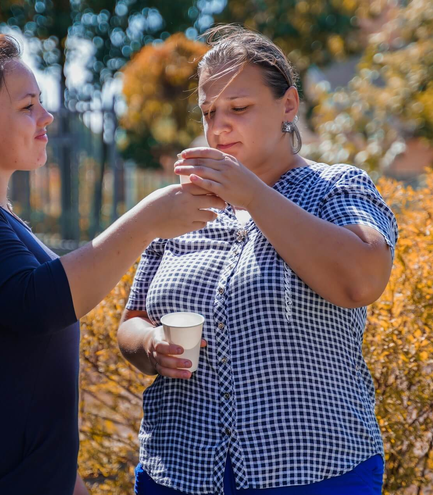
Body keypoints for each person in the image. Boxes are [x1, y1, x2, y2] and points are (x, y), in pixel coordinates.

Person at [0, 34, 225, 495]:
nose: (46, 118)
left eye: (41, 103)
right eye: (28, 107)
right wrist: (146, 220)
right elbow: (38, 302)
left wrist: (67, 480)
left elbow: (27, 377)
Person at [117, 25, 399, 495]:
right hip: (179, 471)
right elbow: (134, 318)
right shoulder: (182, 206)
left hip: (315, 473)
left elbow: (363, 279)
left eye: (239, 108)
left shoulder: (336, 188)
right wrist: (149, 344)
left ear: (288, 105)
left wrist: (252, 194)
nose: (218, 125)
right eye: (209, 111)